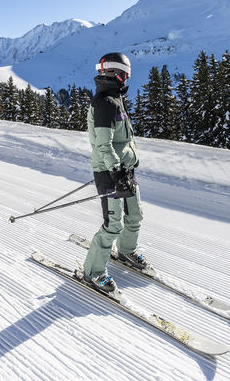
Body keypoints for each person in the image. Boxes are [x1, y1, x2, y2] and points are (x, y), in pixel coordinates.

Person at [80, 52, 149, 294]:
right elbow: (103, 145)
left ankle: (127, 251)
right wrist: (116, 172)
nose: (126, 79)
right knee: (113, 224)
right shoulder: (105, 103)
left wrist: (126, 167)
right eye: (125, 74)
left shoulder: (115, 99)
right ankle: (93, 272)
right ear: (116, 73)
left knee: (135, 216)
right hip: (111, 173)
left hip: (124, 170)